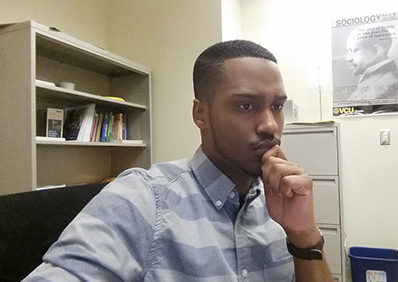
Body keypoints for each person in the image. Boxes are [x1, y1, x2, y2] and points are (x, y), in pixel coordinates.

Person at [23, 40, 333, 281]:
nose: (269, 124)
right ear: (201, 114)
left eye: (277, 106)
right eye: (246, 105)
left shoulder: (281, 202)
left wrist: (304, 236)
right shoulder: (143, 199)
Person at [345, 25, 398, 101]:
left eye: (354, 50)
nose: (348, 58)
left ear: (376, 50)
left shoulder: (386, 84)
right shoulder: (379, 77)